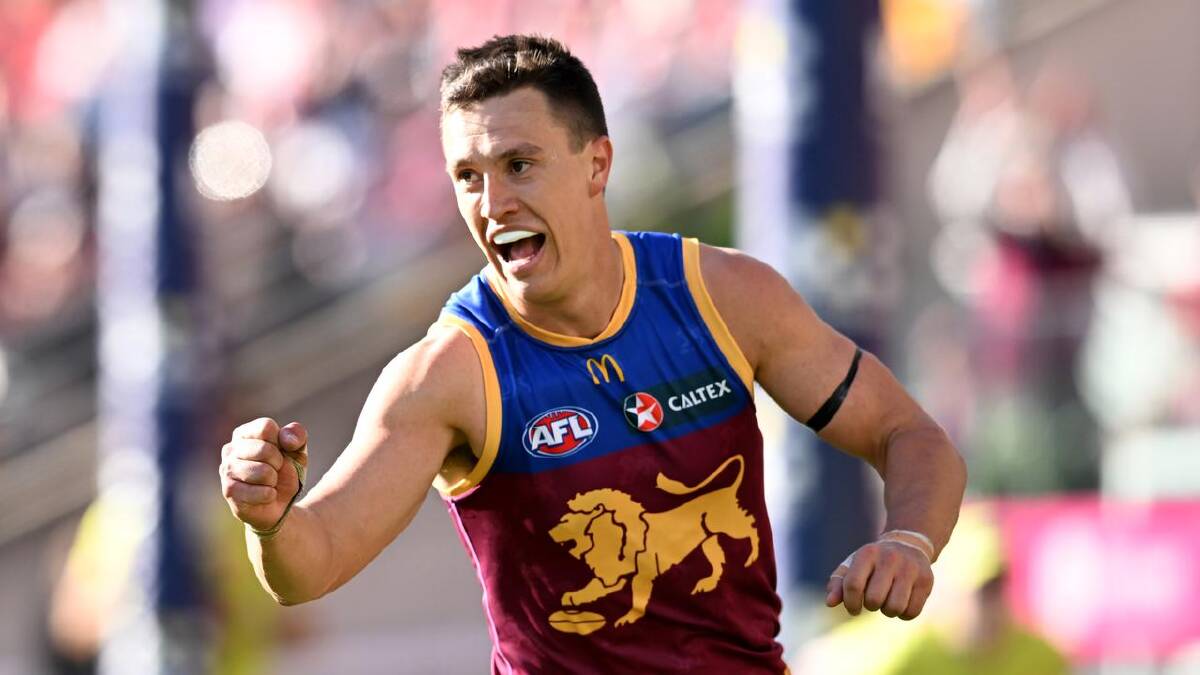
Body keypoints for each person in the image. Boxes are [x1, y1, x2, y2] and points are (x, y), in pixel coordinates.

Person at [218, 34, 966, 673]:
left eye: (518, 165)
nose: (492, 202)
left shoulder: (723, 297)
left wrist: (908, 540)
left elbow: (913, 436)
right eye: (467, 177)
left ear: (597, 165)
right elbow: (309, 565)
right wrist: (271, 517)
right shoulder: (448, 373)